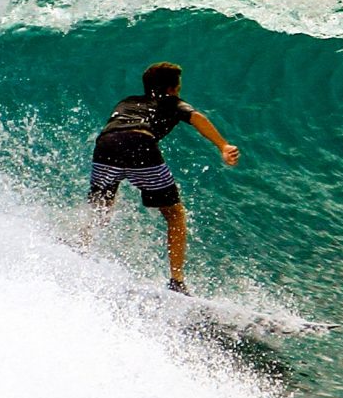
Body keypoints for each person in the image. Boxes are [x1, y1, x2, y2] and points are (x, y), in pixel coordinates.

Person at [83, 61, 239, 293]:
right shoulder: (172, 102)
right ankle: (176, 281)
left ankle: (80, 247)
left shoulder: (126, 102)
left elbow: (118, 128)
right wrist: (223, 146)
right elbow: (197, 118)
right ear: (172, 88)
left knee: (100, 207)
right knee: (174, 214)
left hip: (105, 144)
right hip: (139, 143)